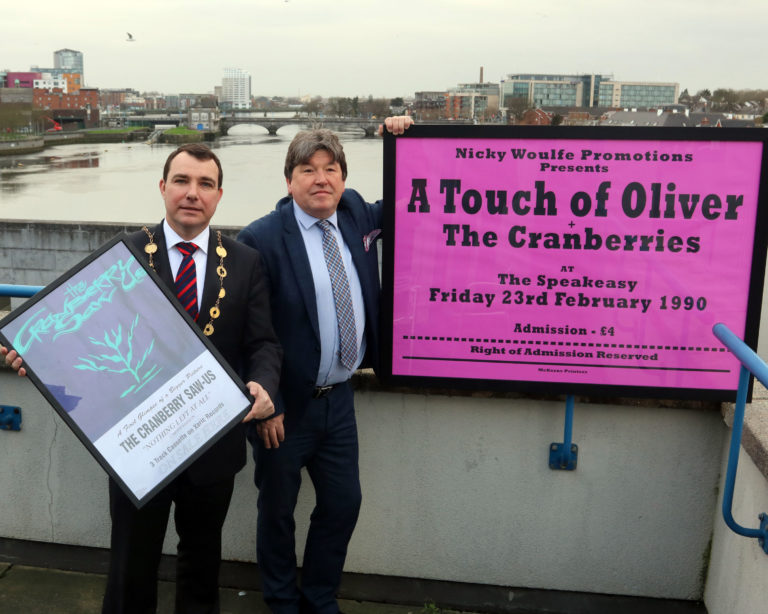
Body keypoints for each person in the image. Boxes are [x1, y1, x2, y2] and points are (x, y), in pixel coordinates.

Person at [3, 143, 283, 614]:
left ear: (218, 196)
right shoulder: (123, 256)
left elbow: (264, 344)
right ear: (162, 187)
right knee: (131, 566)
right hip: (137, 446)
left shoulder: (245, 261)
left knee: (202, 567)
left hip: (214, 442)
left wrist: (265, 384)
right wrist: (37, 356)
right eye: (182, 181)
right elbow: (77, 336)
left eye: (205, 184)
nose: (192, 193)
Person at [237, 116, 412, 614]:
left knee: (342, 504)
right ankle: (281, 603)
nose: (321, 179)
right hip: (284, 408)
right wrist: (267, 403)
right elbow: (249, 332)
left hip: (339, 402)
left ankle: (318, 598)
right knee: (277, 512)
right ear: (289, 180)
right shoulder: (261, 239)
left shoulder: (355, 214)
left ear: (343, 178)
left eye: (331, 169)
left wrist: (403, 138)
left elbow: (410, 201)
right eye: (308, 170)